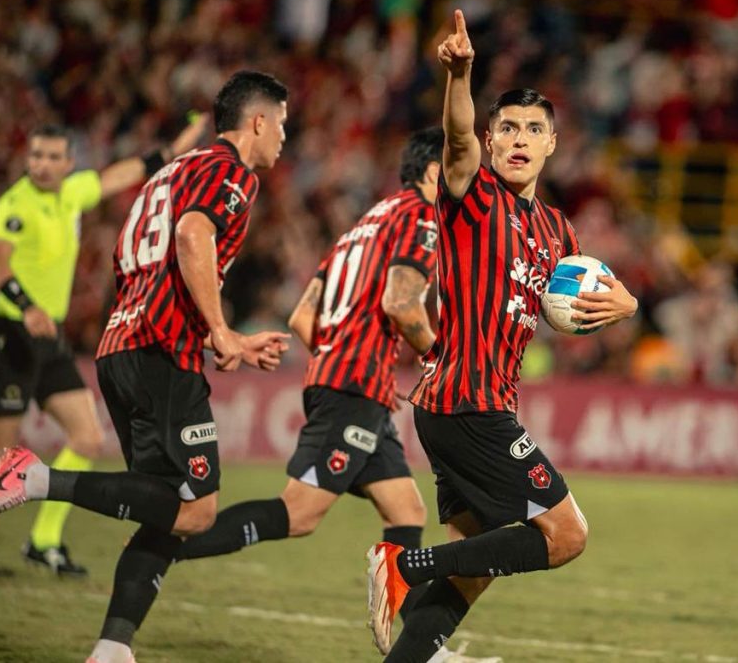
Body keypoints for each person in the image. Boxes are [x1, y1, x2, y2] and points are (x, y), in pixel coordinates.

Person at [366, 10, 638, 662]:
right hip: (468, 404)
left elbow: (580, 302)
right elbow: (456, 136)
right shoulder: (471, 192)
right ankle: (403, 564)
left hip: (473, 405)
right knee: (566, 535)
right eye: (508, 128)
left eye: (534, 129)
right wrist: (459, 77)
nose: (519, 139)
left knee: (478, 561)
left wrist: (625, 303)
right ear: (490, 141)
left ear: (552, 144)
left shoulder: (558, 231)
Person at [0, 70, 291, 663]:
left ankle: (112, 648)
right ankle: (38, 479)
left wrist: (218, 336)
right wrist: (220, 329)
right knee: (198, 509)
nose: (285, 136)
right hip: (159, 353)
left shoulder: (167, 175)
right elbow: (191, 235)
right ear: (258, 121)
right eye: (282, 123)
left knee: (167, 510)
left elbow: (142, 261)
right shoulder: (232, 172)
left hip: (124, 344)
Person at [172, 125, 496, 663]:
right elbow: (401, 305)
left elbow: (303, 318)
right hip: (353, 387)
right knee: (299, 514)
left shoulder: (361, 227)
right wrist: (443, 361)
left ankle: (424, 651)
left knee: (406, 509)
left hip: (348, 381)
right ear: (432, 171)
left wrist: (349, 363)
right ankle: (167, 546)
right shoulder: (422, 217)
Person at [0, 117, 207, 576]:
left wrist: (181, 141)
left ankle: (43, 540)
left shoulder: (73, 193)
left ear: (69, 162)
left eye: (53, 157)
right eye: (36, 155)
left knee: (88, 437)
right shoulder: (14, 204)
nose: (43, 164)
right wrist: (26, 306)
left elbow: (130, 170)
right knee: (1, 459)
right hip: (9, 336)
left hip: (49, 341)